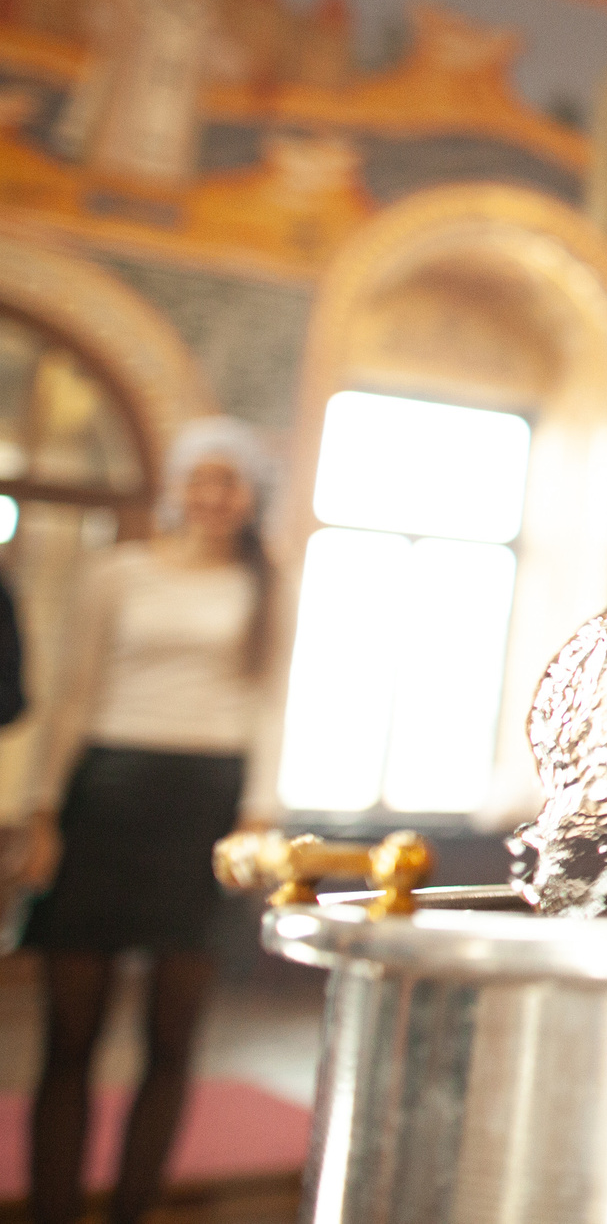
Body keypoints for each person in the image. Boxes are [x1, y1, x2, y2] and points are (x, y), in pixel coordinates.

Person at [16, 418, 286, 1224]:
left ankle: (133, 1210)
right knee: (70, 1030)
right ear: (175, 486)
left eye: (228, 481)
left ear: (248, 497)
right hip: (107, 794)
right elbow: (71, 693)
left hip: (207, 802)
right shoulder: (116, 573)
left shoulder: (269, 584)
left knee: (174, 1033)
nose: (211, 494)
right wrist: (42, 811)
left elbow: (269, 705)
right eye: (198, 477)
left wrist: (256, 817)